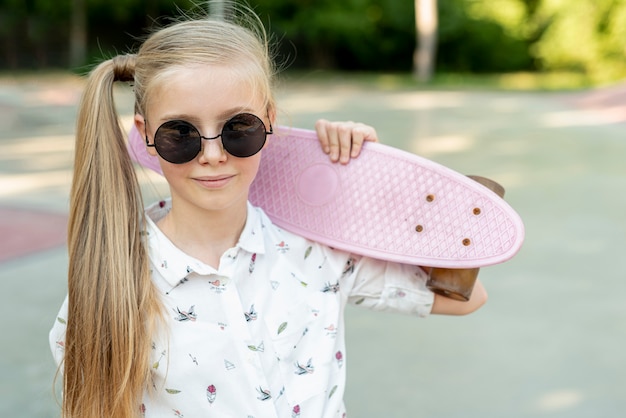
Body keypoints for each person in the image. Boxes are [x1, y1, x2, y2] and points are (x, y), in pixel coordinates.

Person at [49, 3, 487, 417]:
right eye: (180, 133)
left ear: (270, 121)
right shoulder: (114, 277)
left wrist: (374, 186)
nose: (214, 153)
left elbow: (464, 298)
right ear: (145, 133)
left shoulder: (317, 248)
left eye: (238, 128)